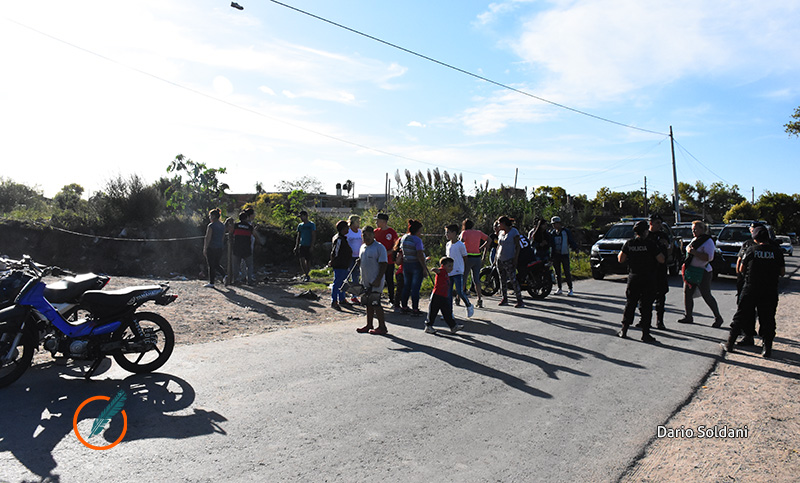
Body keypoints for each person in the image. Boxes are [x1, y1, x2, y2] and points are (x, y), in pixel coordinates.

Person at [723, 226, 785, 358]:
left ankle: (730, 344)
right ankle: (767, 349)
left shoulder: (751, 250)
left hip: (751, 288)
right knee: (768, 318)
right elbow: (782, 272)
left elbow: (740, 268)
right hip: (770, 290)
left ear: (755, 238)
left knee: (741, 316)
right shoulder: (777, 251)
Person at [617, 221, 665, 343]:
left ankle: (624, 330)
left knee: (630, 304)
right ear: (645, 232)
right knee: (646, 306)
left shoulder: (629, 243)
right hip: (648, 278)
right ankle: (645, 334)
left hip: (634, 277)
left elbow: (620, 259)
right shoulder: (651, 244)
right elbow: (661, 260)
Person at [677, 220, 725, 327]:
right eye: (692, 229)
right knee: (687, 294)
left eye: (695, 229)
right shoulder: (695, 239)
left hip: (703, 271)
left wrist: (693, 252)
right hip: (691, 271)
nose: (693, 231)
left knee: (706, 295)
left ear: (702, 229)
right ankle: (688, 316)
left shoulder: (707, 241)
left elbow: (709, 257)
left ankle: (718, 318)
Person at [733, 221, 768, 346]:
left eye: (753, 229)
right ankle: (748, 335)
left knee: (763, 312)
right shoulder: (747, 244)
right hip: (746, 282)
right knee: (746, 311)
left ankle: (765, 339)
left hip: (761, 284)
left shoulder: (769, 245)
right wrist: (739, 276)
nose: (751, 230)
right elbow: (739, 261)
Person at [355, 226, 389, 335]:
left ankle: (382, 327)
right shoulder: (362, 247)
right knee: (368, 304)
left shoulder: (379, 247)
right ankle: (369, 325)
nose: (367, 237)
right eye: (364, 235)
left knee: (376, 303)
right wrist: (360, 263)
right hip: (365, 281)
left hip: (376, 282)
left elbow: (384, 265)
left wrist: (378, 279)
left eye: (369, 235)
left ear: (373, 235)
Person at [424, 257, 464, 335]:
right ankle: (428, 326)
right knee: (433, 312)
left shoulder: (446, 273)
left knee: (447, 312)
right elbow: (438, 271)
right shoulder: (442, 271)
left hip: (443, 296)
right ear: (443, 265)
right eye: (449, 266)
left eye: (452, 266)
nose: (451, 268)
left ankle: (453, 326)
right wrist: (434, 269)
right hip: (437, 296)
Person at [399, 219, 429, 316]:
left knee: (406, 286)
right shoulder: (417, 240)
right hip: (416, 264)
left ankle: (404, 306)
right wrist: (424, 267)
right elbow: (419, 254)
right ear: (417, 230)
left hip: (406, 264)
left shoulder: (404, 237)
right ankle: (415, 308)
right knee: (415, 288)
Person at [647, 213, 671, 330]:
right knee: (646, 297)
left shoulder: (663, 235)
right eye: (657, 223)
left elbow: (668, 248)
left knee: (661, 297)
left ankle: (660, 321)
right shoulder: (646, 236)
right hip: (648, 270)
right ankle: (644, 320)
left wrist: (666, 245)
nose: (659, 225)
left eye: (660, 223)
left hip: (660, 270)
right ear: (651, 223)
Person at [446, 224, 474, 317]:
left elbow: (465, 257)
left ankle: (469, 305)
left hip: (458, 271)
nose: (446, 234)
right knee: (448, 293)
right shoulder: (448, 244)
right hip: (449, 272)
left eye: (448, 232)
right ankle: (449, 312)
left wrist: (461, 268)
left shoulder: (460, 245)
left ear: (454, 233)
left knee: (459, 291)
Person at [460, 219, 489, 308]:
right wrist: (481, 247)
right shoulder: (478, 232)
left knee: (464, 278)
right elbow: (489, 240)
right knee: (476, 279)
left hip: (467, 257)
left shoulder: (464, 232)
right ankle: (479, 299)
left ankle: (458, 297)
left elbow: (461, 241)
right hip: (477, 257)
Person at [496, 216, 524, 308]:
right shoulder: (500, 233)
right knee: (502, 279)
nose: (498, 225)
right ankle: (504, 298)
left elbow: (517, 246)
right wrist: (496, 257)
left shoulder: (514, 232)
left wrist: (515, 258)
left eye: (500, 223)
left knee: (513, 279)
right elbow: (499, 245)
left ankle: (519, 299)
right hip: (500, 259)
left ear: (504, 223)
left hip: (509, 259)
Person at [548, 216, 578, 296]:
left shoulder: (566, 232)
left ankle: (570, 288)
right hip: (556, 255)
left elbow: (571, 241)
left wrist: (575, 248)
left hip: (564, 254)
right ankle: (559, 288)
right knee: (557, 272)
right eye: (553, 224)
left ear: (559, 223)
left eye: (555, 224)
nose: (554, 226)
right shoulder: (553, 233)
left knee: (567, 271)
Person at [374, 213, 399, 305]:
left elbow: (396, 245)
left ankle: (391, 298)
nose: (376, 222)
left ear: (384, 222)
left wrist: (388, 252)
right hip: (377, 261)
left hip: (389, 261)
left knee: (389, 280)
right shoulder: (375, 232)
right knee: (378, 279)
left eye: (378, 220)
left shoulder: (392, 232)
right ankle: (376, 296)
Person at [328, 220, 352, 311]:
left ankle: (342, 299)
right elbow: (335, 252)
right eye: (347, 228)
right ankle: (334, 301)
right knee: (337, 283)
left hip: (344, 264)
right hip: (340, 264)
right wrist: (332, 261)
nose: (348, 229)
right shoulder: (339, 239)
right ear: (343, 229)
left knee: (343, 283)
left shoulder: (342, 238)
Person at [203, 208, 226, 288]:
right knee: (217, 264)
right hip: (219, 247)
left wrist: (205, 248)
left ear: (213, 216)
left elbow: (207, 237)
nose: (209, 217)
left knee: (211, 265)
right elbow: (223, 237)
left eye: (210, 216)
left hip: (212, 247)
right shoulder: (222, 226)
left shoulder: (211, 226)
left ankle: (212, 282)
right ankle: (224, 275)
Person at [232, 209, 256, 285]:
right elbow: (254, 235)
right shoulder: (249, 227)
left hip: (237, 248)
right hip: (247, 249)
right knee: (249, 265)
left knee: (236, 265)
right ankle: (249, 280)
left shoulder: (236, 226)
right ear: (246, 218)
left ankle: (236, 280)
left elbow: (231, 234)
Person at [294, 210, 316, 283]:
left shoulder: (311, 225)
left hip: (308, 244)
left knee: (308, 260)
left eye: (302, 216)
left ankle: (307, 274)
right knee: (301, 259)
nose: (301, 218)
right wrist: (296, 245)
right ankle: (305, 273)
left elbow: (313, 235)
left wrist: (312, 246)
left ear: (306, 216)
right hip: (302, 244)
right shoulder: (300, 225)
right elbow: (298, 235)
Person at [345, 215, 363, 304]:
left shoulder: (360, 232)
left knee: (356, 276)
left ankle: (354, 295)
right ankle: (343, 292)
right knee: (346, 275)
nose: (358, 224)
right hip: (349, 257)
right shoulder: (348, 232)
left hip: (358, 257)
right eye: (356, 222)